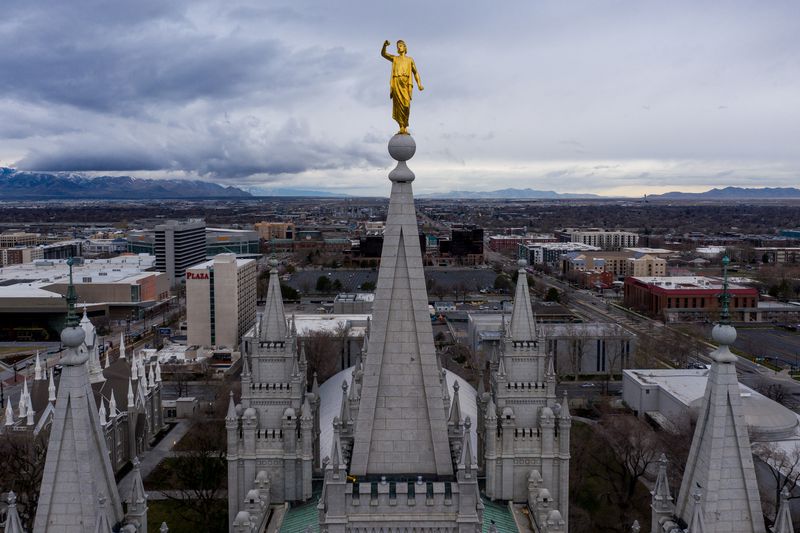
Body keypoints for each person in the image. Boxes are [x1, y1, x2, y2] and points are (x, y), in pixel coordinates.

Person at [381, 39, 423, 134]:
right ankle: (402, 126)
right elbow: (383, 54)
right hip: (396, 82)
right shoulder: (395, 58)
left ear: (405, 47)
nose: (398, 47)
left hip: (406, 83)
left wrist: (419, 84)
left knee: (406, 105)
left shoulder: (410, 59)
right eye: (397, 46)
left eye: (400, 45)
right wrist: (384, 45)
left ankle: (405, 123)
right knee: (398, 105)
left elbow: (415, 72)